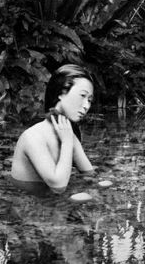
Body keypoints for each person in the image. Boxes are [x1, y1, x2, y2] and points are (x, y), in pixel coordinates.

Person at [10, 64, 95, 192]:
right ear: (61, 93)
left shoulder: (67, 132)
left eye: (89, 100)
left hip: (52, 204)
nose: (86, 105)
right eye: (82, 96)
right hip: (26, 205)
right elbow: (58, 186)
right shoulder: (33, 137)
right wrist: (66, 142)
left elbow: (89, 174)